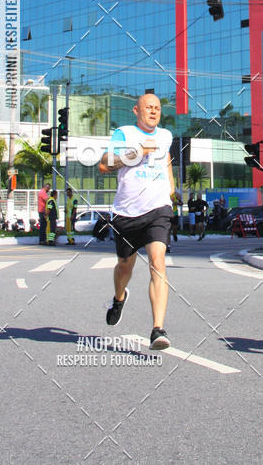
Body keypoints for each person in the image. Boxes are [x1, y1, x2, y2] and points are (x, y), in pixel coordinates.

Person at [99, 93, 175, 351]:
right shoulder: (124, 133)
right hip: (127, 213)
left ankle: (158, 330)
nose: (153, 111)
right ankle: (119, 298)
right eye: (148, 107)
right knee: (124, 266)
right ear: (136, 110)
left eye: (157, 108)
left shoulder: (166, 136)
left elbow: (166, 163)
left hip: (158, 209)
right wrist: (135, 154)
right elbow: (104, 165)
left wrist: (170, 190)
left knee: (157, 263)